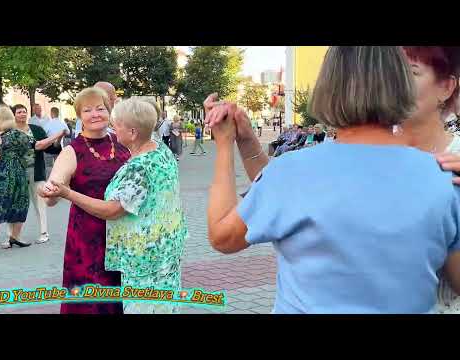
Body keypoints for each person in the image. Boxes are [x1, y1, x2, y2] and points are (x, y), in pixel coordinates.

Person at [205, 46, 460, 314]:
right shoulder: (444, 178)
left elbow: (222, 236)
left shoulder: (289, 173)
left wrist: (225, 145)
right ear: (401, 86)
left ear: (328, 87)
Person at [42, 97, 188, 314]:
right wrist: (50, 192)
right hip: (109, 245)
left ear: (132, 132)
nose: (111, 124)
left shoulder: (138, 162)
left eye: (104, 111)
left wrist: (68, 193)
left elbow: (112, 210)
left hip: (142, 253)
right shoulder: (160, 149)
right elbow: (50, 196)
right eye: (87, 110)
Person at [38, 87, 130, 314]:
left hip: (124, 233)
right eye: (87, 110)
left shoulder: (122, 141)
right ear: (80, 116)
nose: (95, 114)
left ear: (109, 110)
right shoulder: (72, 151)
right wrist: (51, 192)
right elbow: (55, 188)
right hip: (88, 240)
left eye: (100, 108)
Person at [398, 47, 460, 313]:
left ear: (446, 87)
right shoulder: (368, 151)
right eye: (390, 70)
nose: (394, 82)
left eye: (411, 72)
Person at [10, 104, 65, 246]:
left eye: (24, 112)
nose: (22, 114)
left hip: (36, 171)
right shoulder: (9, 132)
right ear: (13, 115)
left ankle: (44, 233)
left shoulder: (36, 130)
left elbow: (51, 149)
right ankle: (12, 236)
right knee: (14, 204)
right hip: (16, 173)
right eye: (19, 112)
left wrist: (58, 140)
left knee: (40, 202)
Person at [0, 106, 32, 250]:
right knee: (20, 202)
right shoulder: (17, 134)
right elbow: (27, 147)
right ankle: (14, 237)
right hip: (16, 174)